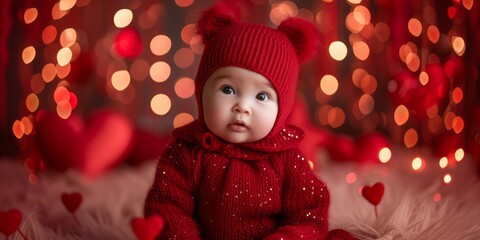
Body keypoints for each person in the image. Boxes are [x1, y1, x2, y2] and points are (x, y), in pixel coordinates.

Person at [144, 3, 356, 240]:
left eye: (262, 96)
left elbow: (309, 213)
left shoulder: (286, 159)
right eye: (227, 89)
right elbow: (168, 206)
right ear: (202, 91)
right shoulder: (186, 153)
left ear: (282, 108)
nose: (242, 107)